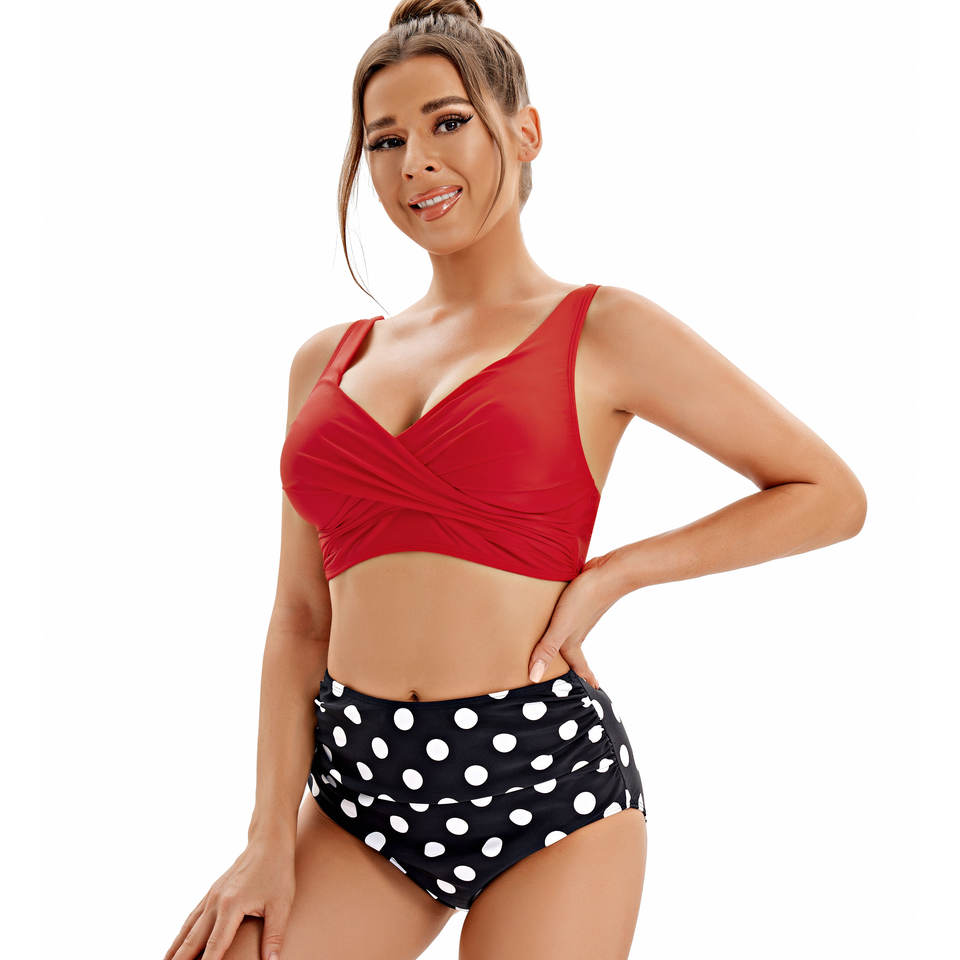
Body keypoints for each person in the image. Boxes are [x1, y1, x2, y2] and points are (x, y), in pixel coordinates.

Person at [164, 2, 868, 959]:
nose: (414, 162)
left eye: (448, 122)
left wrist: (615, 574)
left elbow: (827, 493)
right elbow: (298, 620)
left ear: (525, 132)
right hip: (358, 792)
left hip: (549, 788)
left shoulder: (605, 328)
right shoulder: (324, 362)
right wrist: (265, 840)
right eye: (385, 139)